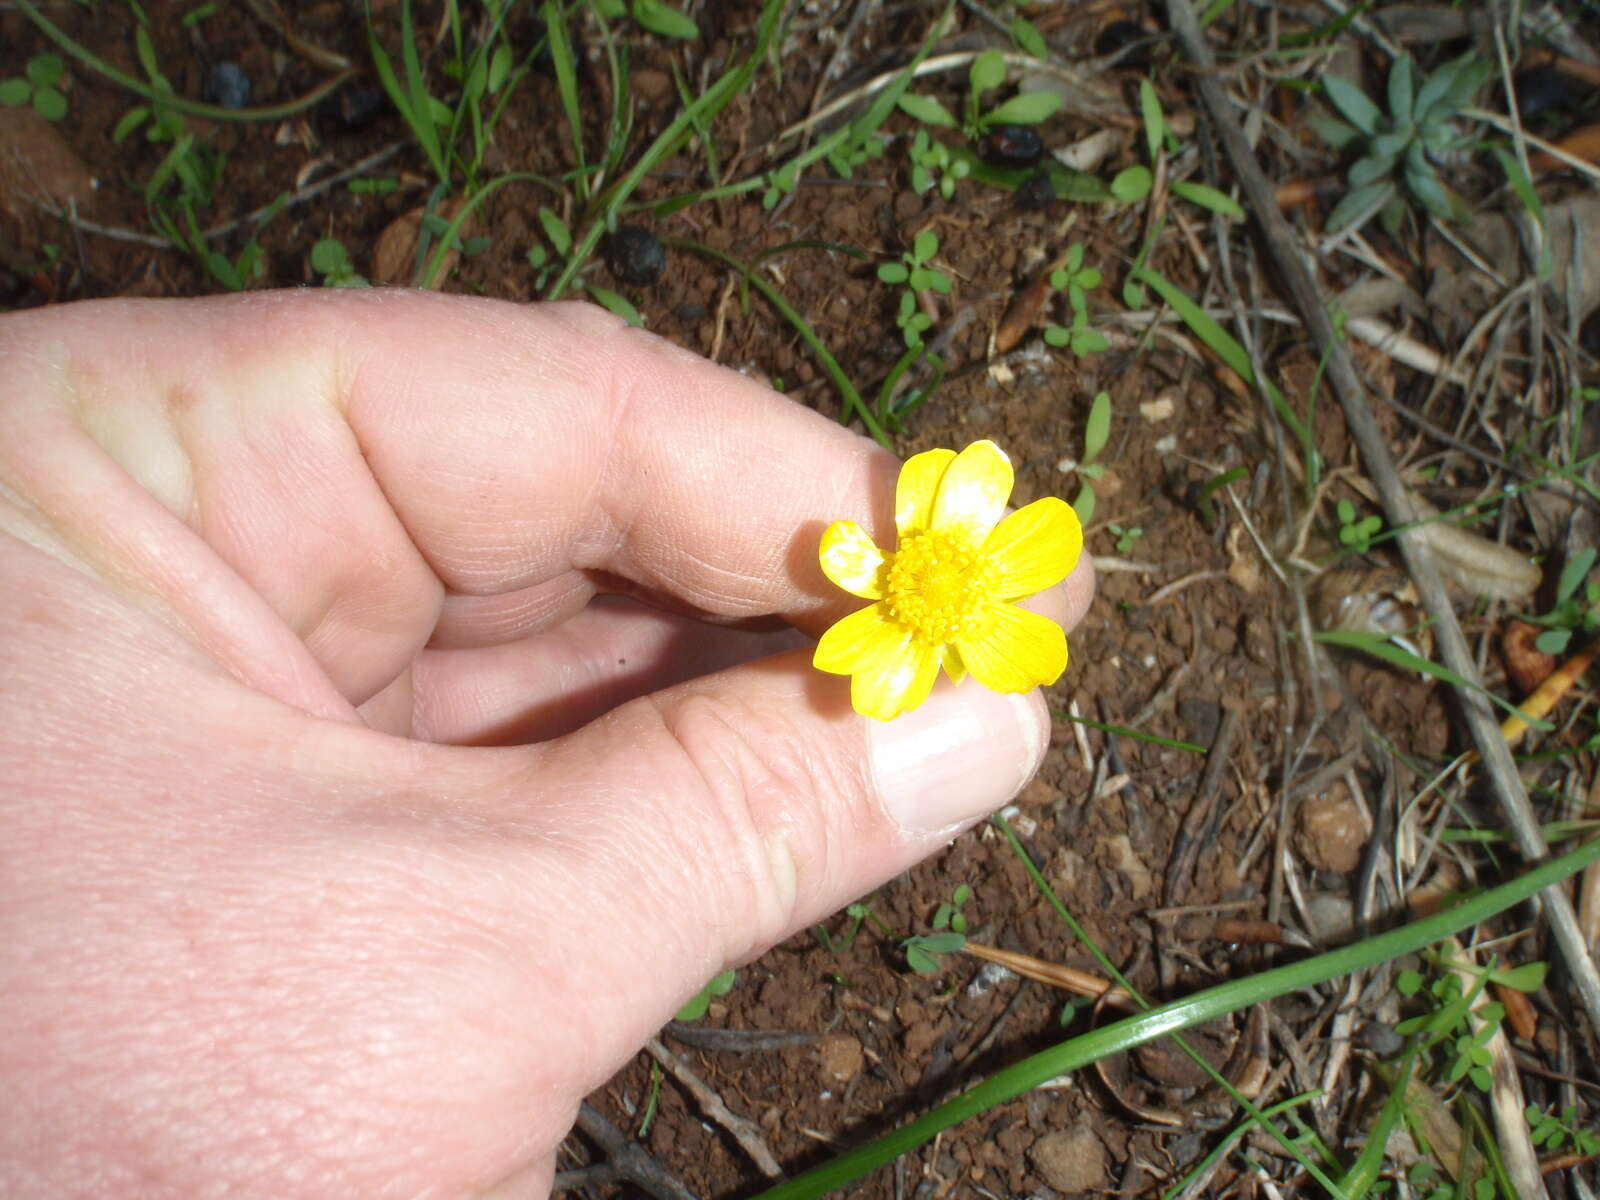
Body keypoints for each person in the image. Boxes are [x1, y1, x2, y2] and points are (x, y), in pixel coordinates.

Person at [0, 290, 1094, 1198]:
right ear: (898, 557)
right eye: (928, 555)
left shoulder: (962, 610)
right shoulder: (869, 585)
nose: (939, 567)